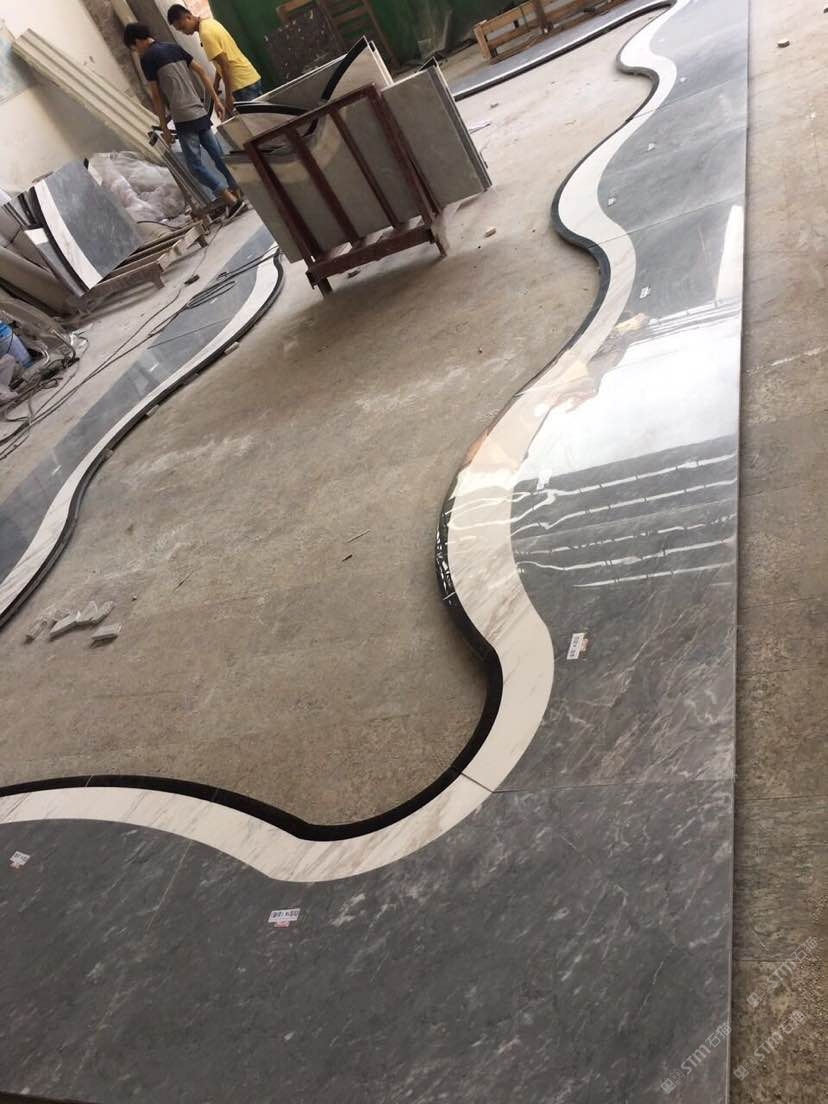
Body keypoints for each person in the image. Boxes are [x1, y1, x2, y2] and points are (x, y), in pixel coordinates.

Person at [123, 23, 246, 220]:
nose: (137, 52)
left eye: (134, 48)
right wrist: (216, 100)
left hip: (182, 116)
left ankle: (231, 201)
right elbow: (202, 71)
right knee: (219, 156)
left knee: (195, 166)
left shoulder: (147, 59)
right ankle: (239, 194)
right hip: (198, 109)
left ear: (137, 41)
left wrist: (164, 127)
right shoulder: (173, 47)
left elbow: (156, 96)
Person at [166, 5, 263, 116]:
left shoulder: (205, 34)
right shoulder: (210, 23)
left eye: (183, 27)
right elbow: (222, 61)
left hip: (241, 85)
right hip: (248, 78)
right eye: (180, 30)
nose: (183, 32)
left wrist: (229, 96)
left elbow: (225, 64)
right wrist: (216, 82)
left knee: (257, 122)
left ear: (189, 17)